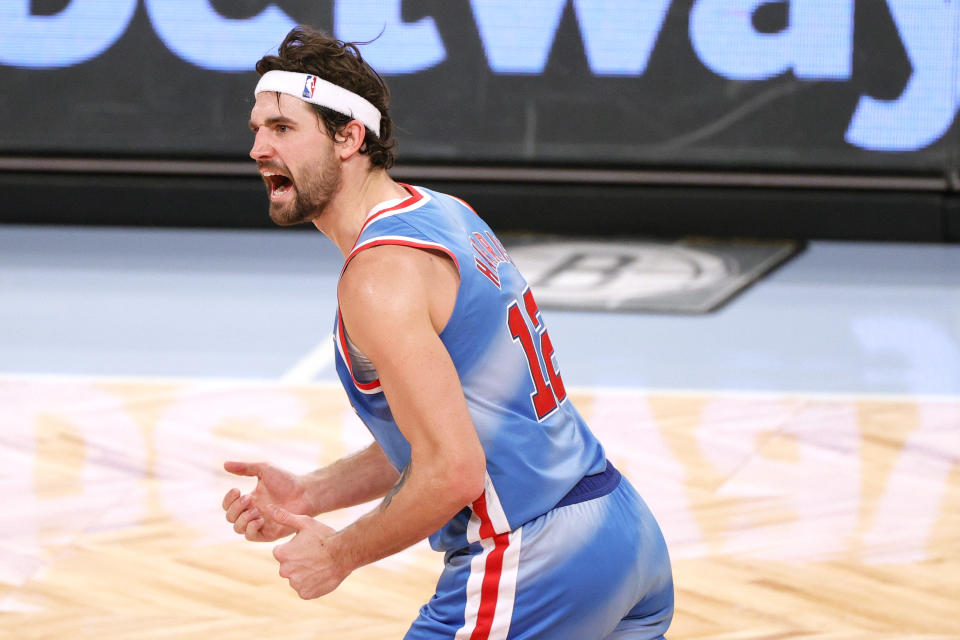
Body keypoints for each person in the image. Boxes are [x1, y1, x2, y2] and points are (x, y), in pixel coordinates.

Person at [221, 25, 673, 640]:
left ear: (349, 137)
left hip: (534, 555)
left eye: (282, 128)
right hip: (622, 530)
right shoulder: (445, 213)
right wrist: (311, 492)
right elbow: (453, 421)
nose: (258, 149)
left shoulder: (379, 275)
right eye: (256, 130)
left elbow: (454, 469)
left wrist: (339, 553)